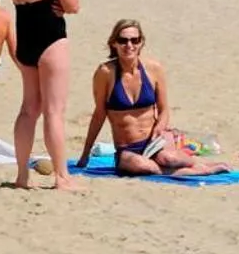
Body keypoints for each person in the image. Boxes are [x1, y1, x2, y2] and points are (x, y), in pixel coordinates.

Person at [76, 21, 230, 177]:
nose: (129, 45)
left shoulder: (153, 69)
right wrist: (85, 154)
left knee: (168, 158)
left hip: (154, 143)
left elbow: (164, 110)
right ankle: (196, 171)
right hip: (127, 149)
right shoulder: (106, 73)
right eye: (123, 41)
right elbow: (99, 114)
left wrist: (160, 127)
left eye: (134, 40)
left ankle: (196, 165)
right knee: (142, 166)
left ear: (141, 42)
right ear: (114, 43)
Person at [10, 0, 81, 190]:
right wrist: (64, 6)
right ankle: (62, 177)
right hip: (49, 35)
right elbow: (74, 4)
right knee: (54, 110)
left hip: (25, 32)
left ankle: (22, 176)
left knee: (29, 108)